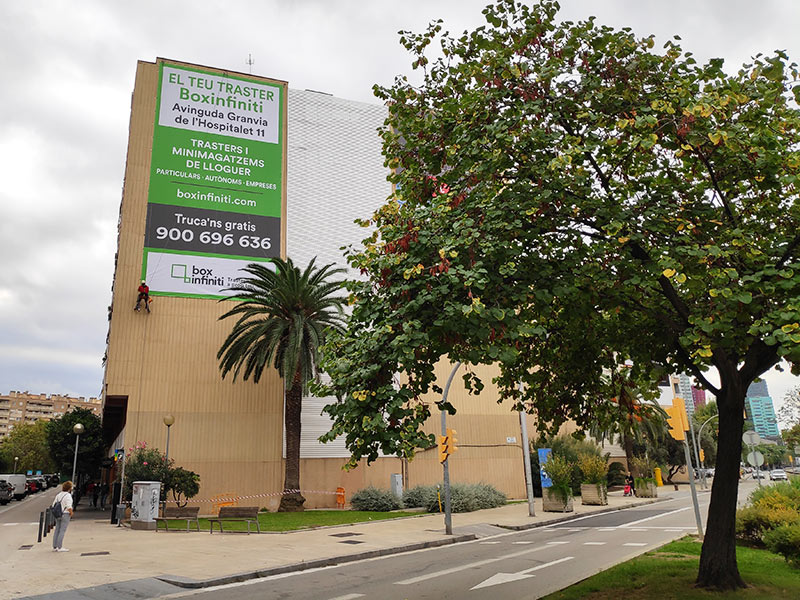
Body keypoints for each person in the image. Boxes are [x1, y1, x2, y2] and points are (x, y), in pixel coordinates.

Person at [52, 481, 74, 552]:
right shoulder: (68, 495)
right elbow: (69, 506)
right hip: (65, 514)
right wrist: (71, 513)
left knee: (57, 529)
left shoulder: (58, 495)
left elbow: (53, 504)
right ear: (69, 488)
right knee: (62, 530)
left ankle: (55, 546)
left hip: (58, 513)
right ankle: (60, 547)